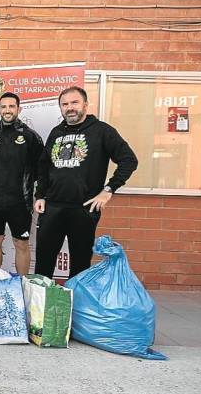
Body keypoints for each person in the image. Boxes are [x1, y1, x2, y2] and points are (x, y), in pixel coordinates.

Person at [35, 86, 138, 278]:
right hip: (53, 207)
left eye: (74, 102)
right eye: (64, 104)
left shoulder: (102, 131)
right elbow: (43, 166)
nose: (69, 108)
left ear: (85, 104)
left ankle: (77, 305)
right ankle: (41, 305)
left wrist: (108, 190)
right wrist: (40, 195)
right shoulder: (56, 132)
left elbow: (129, 160)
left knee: (80, 263)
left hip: (84, 209)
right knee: (43, 260)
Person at [0, 92, 44, 275]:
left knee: (21, 243)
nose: (7, 110)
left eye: (11, 106)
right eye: (4, 107)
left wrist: (38, 195)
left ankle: (23, 283)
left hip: (20, 202)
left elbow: (41, 169)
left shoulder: (31, 137)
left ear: (19, 109)